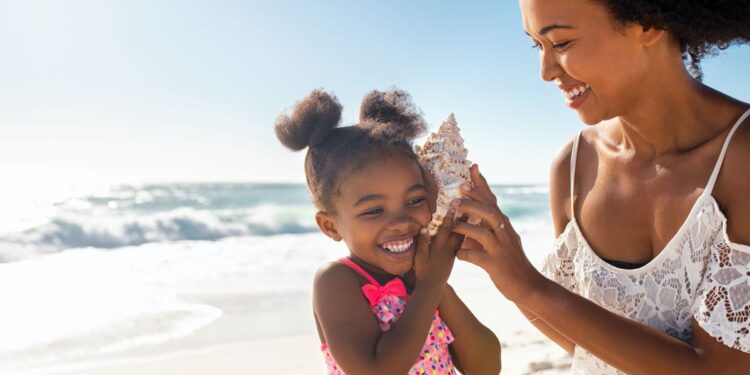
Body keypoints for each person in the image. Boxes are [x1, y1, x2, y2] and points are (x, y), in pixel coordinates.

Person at [450, 0, 750, 373]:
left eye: (560, 43)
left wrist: (530, 286)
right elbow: (581, 344)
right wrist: (504, 269)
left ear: (648, 23)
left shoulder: (741, 158)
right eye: (536, 46)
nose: (545, 72)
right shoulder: (573, 166)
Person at [274, 88, 501, 375]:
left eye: (415, 200)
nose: (401, 221)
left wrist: (437, 286)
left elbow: (486, 368)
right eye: (374, 210)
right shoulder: (337, 281)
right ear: (330, 226)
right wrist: (430, 284)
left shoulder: (425, 279)